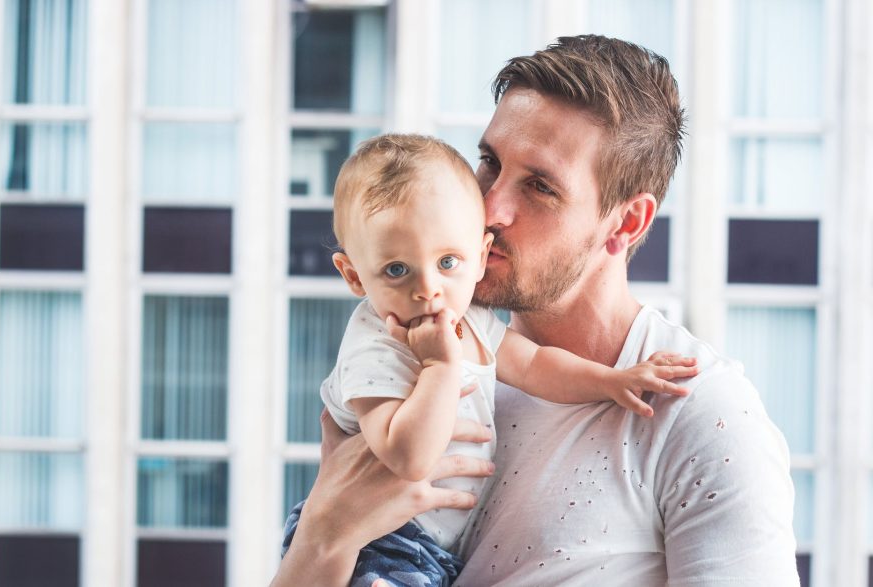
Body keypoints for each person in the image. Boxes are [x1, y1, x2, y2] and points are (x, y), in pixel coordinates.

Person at [271, 35, 799, 586]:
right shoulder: (418, 354)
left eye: (540, 187)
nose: (491, 207)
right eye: (488, 162)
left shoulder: (701, 415)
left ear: (626, 224)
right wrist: (322, 539)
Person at [279, 133, 698, 587]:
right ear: (355, 276)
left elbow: (537, 366)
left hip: (436, 549)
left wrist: (613, 380)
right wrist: (440, 368)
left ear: (479, 258)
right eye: (396, 270)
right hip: (379, 544)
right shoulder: (376, 347)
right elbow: (409, 458)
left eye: (447, 262)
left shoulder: (474, 320)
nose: (428, 289)